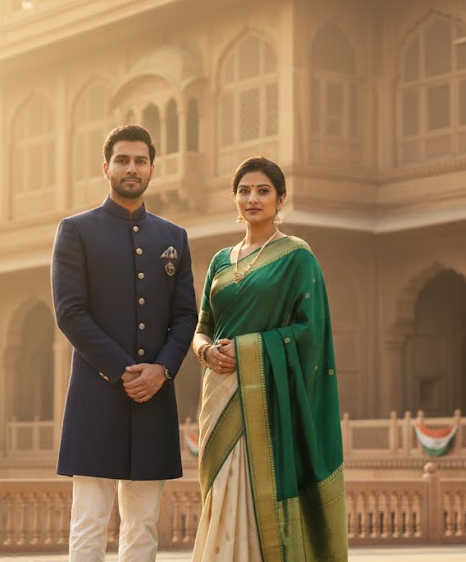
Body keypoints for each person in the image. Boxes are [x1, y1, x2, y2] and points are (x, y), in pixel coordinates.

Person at [190, 157, 348, 562]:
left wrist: (247, 351)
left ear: (280, 199)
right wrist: (206, 350)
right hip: (219, 390)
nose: (252, 198)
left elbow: (310, 331)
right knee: (221, 485)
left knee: (254, 481)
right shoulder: (220, 261)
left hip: (267, 397)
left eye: (263, 191)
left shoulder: (297, 257)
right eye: (244, 190)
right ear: (235, 199)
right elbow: (201, 326)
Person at [51, 124, 197, 561]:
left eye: (139, 161)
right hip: (97, 394)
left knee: (143, 524)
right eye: (122, 160)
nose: (131, 168)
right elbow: (70, 312)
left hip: (154, 395)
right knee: (90, 520)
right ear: (106, 168)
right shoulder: (76, 231)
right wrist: (123, 370)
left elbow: (185, 315)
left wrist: (162, 370)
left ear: (153, 168)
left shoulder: (173, 237)